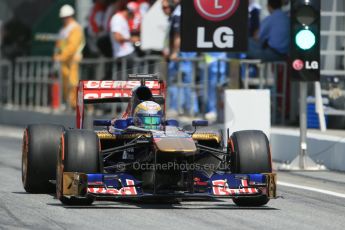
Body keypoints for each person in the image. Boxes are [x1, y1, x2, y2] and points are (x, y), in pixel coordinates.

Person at [165, 0, 198, 116]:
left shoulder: (179, 12)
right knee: (187, 80)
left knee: (179, 79)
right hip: (187, 51)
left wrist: (174, 52)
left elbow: (178, 35)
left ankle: (180, 107)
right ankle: (191, 108)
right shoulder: (185, 11)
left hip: (183, 53)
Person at [54, 4, 85, 109]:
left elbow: (72, 46)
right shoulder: (63, 29)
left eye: (65, 17)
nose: (64, 19)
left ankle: (74, 105)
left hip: (73, 61)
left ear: (70, 16)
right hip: (64, 61)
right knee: (65, 84)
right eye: (63, 17)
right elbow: (59, 44)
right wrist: (57, 55)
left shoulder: (75, 28)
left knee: (73, 83)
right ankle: (69, 104)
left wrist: (61, 56)